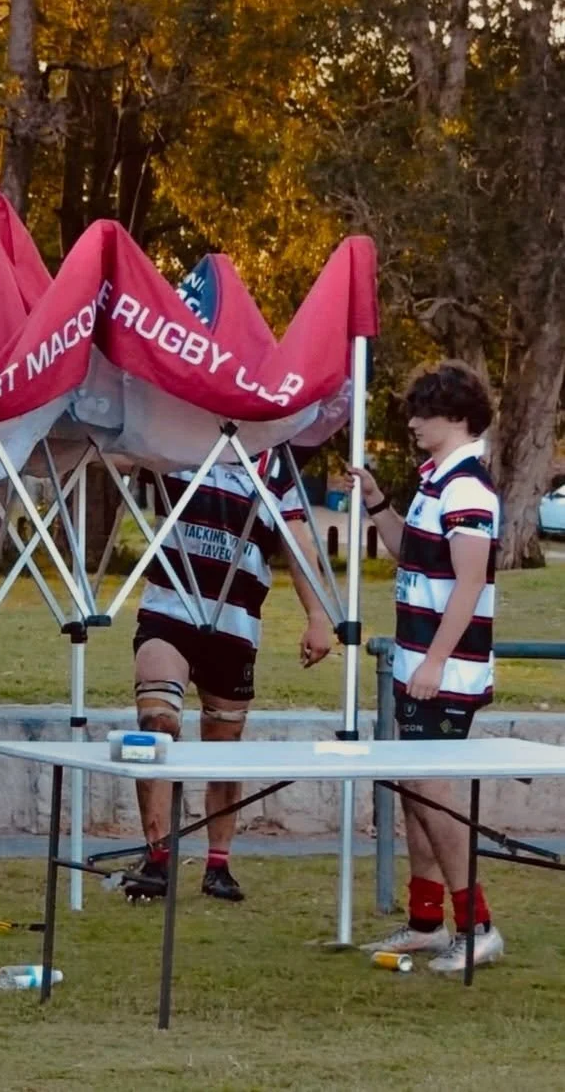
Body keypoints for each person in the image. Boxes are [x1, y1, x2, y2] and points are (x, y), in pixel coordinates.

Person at [125, 451, 334, 904]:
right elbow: (120, 455)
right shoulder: (178, 445)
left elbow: (300, 547)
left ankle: (218, 864)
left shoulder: (278, 470)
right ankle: (156, 858)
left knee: (224, 748)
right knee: (157, 725)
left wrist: (318, 616)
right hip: (169, 613)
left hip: (235, 627)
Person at [351, 361, 502, 972]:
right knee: (417, 793)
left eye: (424, 412)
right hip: (417, 662)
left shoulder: (467, 487)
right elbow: (406, 551)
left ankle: (479, 923)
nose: (412, 422)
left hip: (447, 670)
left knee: (433, 792)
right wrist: (378, 503)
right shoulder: (434, 482)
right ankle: (425, 920)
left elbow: (470, 583)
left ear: (459, 417)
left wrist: (436, 661)